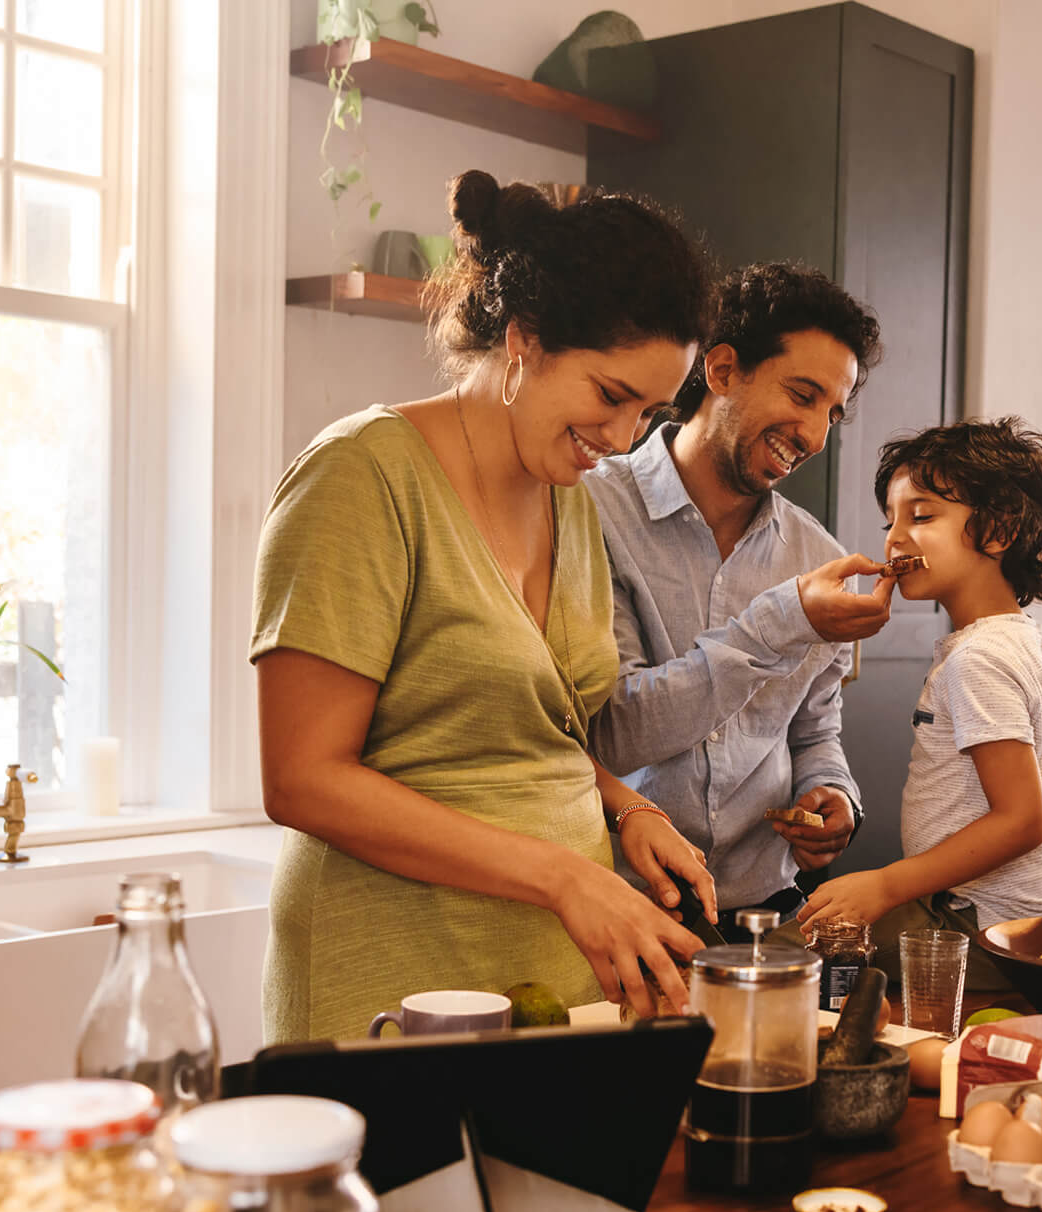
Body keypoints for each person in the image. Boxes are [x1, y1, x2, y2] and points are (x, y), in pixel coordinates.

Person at [251, 171, 720, 1044]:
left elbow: (517, 730)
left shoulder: (571, 498)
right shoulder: (361, 476)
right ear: (524, 337)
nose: (623, 440)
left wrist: (626, 807)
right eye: (611, 396)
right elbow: (301, 778)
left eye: (651, 412)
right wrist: (564, 879)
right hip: (389, 979)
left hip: (553, 986)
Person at [586, 262, 888, 940]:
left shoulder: (816, 556)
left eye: (831, 413)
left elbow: (815, 732)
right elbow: (615, 731)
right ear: (721, 370)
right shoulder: (589, 511)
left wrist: (834, 798)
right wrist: (782, 622)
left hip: (764, 914)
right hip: (620, 911)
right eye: (802, 395)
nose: (813, 435)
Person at [798, 416, 1042, 976]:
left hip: (982, 927)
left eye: (923, 515)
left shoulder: (978, 658)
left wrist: (885, 885)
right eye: (891, 520)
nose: (895, 537)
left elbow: (1021, 820)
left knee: (786, 965)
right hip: (1021, 920)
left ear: (999, 531)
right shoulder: (1025, 637)